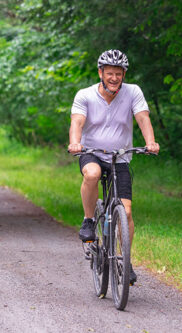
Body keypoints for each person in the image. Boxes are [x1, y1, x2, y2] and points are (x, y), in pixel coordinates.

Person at [67, 50, 160, 285]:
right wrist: (75, 143)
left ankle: (124, 259)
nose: (114, 78)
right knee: (92, 174)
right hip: (91, 154)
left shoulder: (133, 92)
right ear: (101, 73)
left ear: (124, 74)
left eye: (118, 74)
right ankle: (89, 220)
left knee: (126, 212)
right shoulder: (85, 95)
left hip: (120, 158)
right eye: (110, 73)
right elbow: (77, 122)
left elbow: (142, 118)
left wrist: (150, 142)